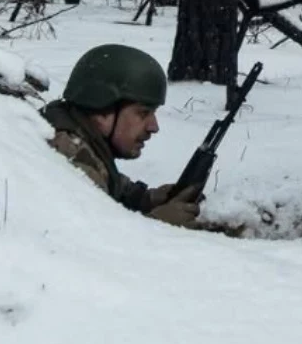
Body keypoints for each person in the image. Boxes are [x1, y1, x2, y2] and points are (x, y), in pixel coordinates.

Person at [42, 43, 202, 226]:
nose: (153, 126)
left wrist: (147, 199)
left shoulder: (77, 138)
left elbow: (111, 186)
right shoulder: (68, 157)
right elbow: (89, 243)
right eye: (143, 113)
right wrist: (158, 224)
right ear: (101, 110)